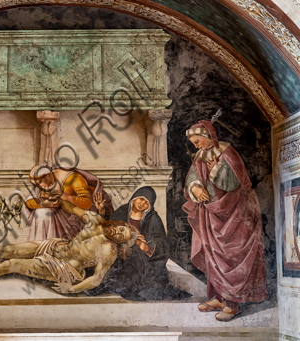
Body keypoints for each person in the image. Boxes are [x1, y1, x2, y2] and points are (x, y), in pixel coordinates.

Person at [0, 200, 138, 294]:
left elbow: (97, 278)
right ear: (119, 224)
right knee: (9, 249)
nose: (118, 234)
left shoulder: (108, 250)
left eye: (122, 237)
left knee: (11, 264)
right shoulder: (96, 221)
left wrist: (71, 289)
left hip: (65, 267)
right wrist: (59, 201)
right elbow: (74, 209)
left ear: (121, 242)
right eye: (121, 229)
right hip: (57, 246)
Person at [183, 120, 268, 321]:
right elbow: (191, 178)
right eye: (193, 143)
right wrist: (195, 188)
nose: (196, 145)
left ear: (207, 135)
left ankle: (232, 304)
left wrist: (215, 170)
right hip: (211, 215)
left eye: (197, 141)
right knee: (214, 257)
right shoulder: (200, 156)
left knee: (231, 257)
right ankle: (219, 298)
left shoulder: (227, 153)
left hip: (235, 214)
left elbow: (234, 183)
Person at [84, 186, 169, 300]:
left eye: (146, 202)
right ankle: (97, 283)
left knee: (132, 260)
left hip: (140, 258)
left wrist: (145, 247)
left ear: (149, 206)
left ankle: (108, 286)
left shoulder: (153, 219)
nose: (141, 204)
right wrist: (101, 211)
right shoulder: (123, 211)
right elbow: (109, 227)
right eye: (141, 199)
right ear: (134, 198)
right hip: (120, 252)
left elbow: (161, 242)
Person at [24, 164, 113, 241]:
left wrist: (68, 197)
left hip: (75, 220)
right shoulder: (44, 184)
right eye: (36, 184)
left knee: (46, 213)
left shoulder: (73, 178)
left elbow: (87, 203)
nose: (39, 186)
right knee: (42, 212)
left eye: (39, 183)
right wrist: (45, 204)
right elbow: (29, 202)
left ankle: (52, 249)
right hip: (58, 217)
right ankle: (41, 248)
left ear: (47, 176)